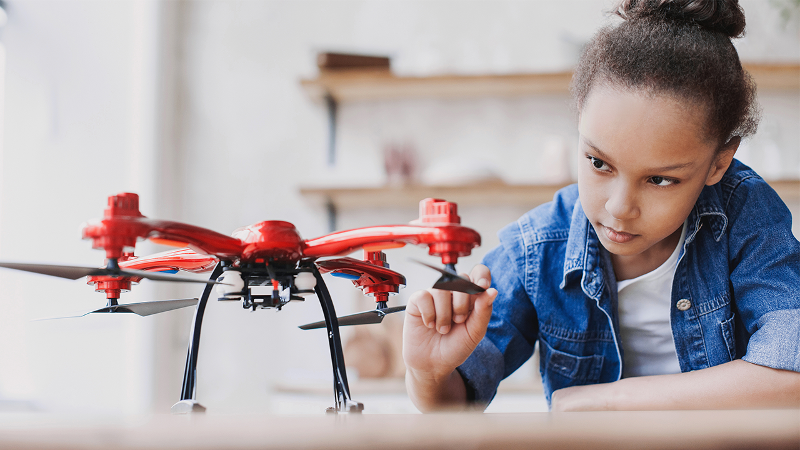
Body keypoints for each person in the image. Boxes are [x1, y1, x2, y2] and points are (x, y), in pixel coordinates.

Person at [402, 0, 800, 412]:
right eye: (598, 163)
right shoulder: (538, 247)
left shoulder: (745, 212)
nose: (620, 207)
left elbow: (792, 378)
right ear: (579, 121)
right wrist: (428, 374)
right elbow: (453, 409)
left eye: (660, 179)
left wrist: (613, 402)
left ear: (719, 162)